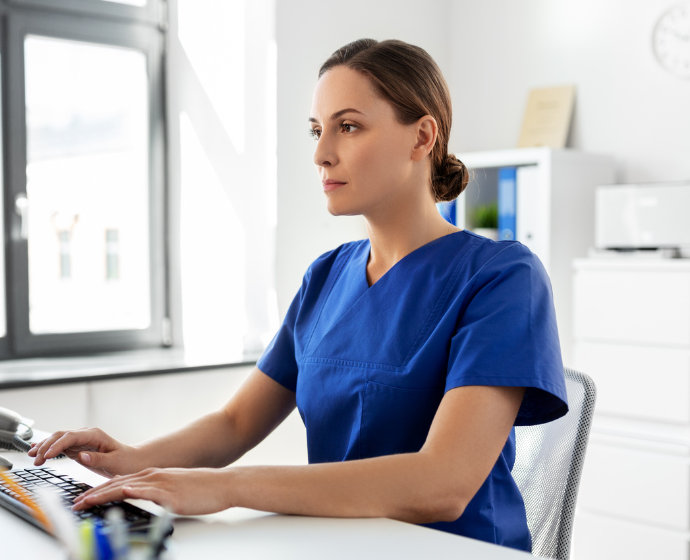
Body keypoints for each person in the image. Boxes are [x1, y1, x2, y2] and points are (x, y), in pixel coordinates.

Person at [28, 38, 567, 552]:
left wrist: (227, 487)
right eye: (317, 131)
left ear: (422, 137)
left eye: (349, 127)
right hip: (334, 546)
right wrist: (130, 460)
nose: (322, 154)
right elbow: (235, 423)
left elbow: (442, 484)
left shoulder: (501, 277)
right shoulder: (327, 277)